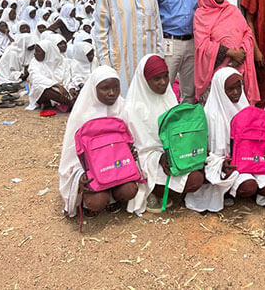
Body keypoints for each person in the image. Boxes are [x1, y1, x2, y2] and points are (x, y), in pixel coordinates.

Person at [125, 55, 205, 214]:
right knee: (194, 180)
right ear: (144, 80)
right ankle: (155, 192)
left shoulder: (169, 98)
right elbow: (138, 150)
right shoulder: (132, 108)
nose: (163, 82)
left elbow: (177, 134)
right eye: (156, 79)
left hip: (174, 155)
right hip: (149, 160)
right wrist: (160, 158)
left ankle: (167, 190)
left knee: (202, 171)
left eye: (165, 76)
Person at [58, 66, 138, 218]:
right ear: (94, 89)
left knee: (129, 190)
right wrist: (80, 173)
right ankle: (89, 201)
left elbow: (131, 139)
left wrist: (131, 152)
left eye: (116, 87)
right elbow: (71, 153)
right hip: (93, 171)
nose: (112, 93)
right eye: (105, 88)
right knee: (97, 200)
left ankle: (114, 196)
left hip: (117, 167)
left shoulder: (123, 107)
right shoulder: (82, 115)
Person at [93, 0, 164, 96]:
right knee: (124, 104)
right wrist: (106, 67)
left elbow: (157, 28)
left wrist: (160, 58)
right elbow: (100, 33)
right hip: (121, 64)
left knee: (147, 102)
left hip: (147, 61)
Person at [204, 68, 265, 208]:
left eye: (239, 87)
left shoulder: (244, 107)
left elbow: (257, 140)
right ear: (220, 90)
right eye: (231, 89)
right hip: (228, 164)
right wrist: (221, 163)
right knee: (249, 187)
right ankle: (229, 192)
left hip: (251, 160)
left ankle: (254, 191)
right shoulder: (212, 115)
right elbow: (208, 152)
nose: (237, 92)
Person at [193, 0, 259, 104]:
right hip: (215, 74)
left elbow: (248, 34)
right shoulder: (201, 15)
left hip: (239, 69)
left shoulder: (232, 10)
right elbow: (202, 45)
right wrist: (230, 54)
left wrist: (240, 52)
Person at [150, 0, 199, 103]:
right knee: (164, 87)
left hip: (191, 42)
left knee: (189, 90)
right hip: (169, 42)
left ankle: (185, 124)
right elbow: (151, 14)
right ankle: (162, 123)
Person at [27, 39, 76, 110]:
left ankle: (51, 103)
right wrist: (57, 85)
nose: (35, 54)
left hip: (62, 89)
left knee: (74, 91)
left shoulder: (62, 61)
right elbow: (36, 78)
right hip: (47, 88)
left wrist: (70, 88)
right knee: (43, 89)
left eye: (38, 51)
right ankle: (70, 103)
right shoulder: (34, 62)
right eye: (35, 51)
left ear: (47, 52)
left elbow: (67, 78)